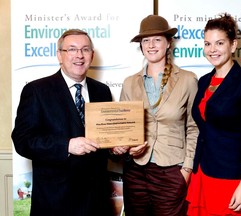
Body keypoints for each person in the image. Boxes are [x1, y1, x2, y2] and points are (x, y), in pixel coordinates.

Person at [12, 29, 114, 216]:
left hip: (96, 202)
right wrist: (66, 145)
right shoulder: (36, 90)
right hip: (56, 202)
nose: (79, 55)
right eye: (72, 49)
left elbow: (105, 139)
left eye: (85, 49)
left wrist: (116, 148)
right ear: (59, 55)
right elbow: (22, 140)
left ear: (92, 55)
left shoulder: (102, 91)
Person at [112, 15, 199, 216]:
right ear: (141, 46)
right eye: (146, 40)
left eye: (157, 39)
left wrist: (186, 170)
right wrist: (126, 148)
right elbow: (123, 128)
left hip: (171, 170)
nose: (151, 45)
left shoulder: (188, 80)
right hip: (136, 171)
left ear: (168, 43)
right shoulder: (129, 83)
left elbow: (194, 128)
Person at [186, 13, 241, 216]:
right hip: (202, 173)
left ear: (232, 45)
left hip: (232, 177)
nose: (212, 50)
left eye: (219, 43)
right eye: (207, 44)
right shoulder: (203, 81)